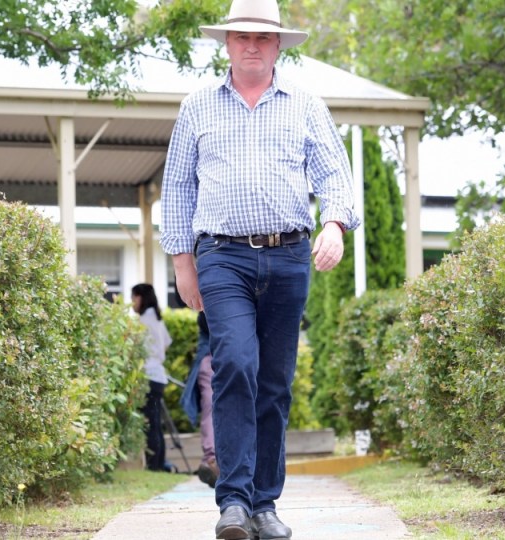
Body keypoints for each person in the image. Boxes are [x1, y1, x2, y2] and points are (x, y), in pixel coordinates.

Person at [159, 0, 359, 537]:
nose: (252, 45)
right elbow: (177, 187)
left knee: (273, 381)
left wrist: (334, 225)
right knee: (235, 364)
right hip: (221, 256)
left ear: (278, 46)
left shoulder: (306, 105)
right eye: (242, 36)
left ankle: (264, 505)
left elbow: (336, 177)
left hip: (289, 256)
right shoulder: (197, 106)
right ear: (226, 43)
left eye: (263, 37)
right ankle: (233, 502)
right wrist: (182, 261)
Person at [130, 283, 173, 472]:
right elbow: (167, 343)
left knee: (150, 423)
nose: (132, 302)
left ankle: (154, 465)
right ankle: (159, 463)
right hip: (158, 376)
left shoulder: (143, 321)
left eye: (133, 298)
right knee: (155, 423)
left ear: (140, 298)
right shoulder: (157, 318)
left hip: (148, 376)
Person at [181, 311, 218, 487]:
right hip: (212, 355)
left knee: (211, 407)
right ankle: (212, 459)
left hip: (212, 355)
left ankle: (211, 459)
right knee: (213, 407)